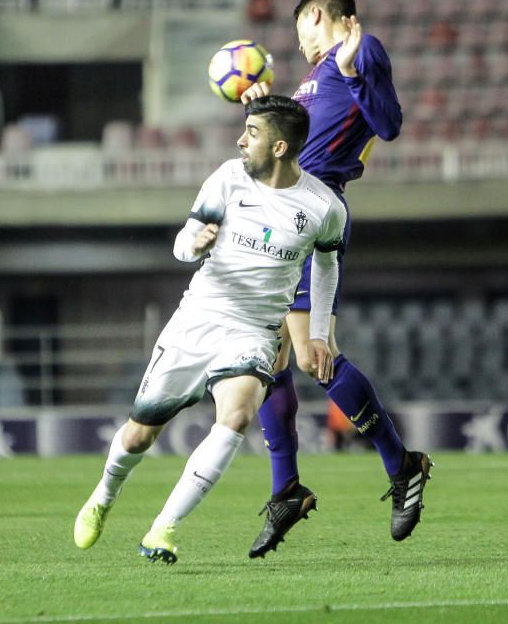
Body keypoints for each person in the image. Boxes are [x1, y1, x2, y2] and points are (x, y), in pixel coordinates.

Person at [73, 95, 346, 563]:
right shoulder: (227, 178)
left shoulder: (323, 206)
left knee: (236, 418)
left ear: (280, 147)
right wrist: (194, 245)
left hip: (255, 331)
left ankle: (163, 528)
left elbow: (326, 268)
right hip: (198, 319)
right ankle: (103, 495)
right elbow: (183, 241)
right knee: (139, 435)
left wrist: (318, 331)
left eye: (252, 133)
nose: (241, 140)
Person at [239, 0, 432, 557]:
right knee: (269, 353)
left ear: (316, 15)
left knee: (310, 354)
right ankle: (287, 489)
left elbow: (389, 124)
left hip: (313, 209)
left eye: (300, 27)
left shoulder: (360, 49)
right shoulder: (313, 79)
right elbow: (294, 145)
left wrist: (350, 70)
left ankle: (402, 466)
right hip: (282, 210)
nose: (298, 40)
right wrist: (263, 107)